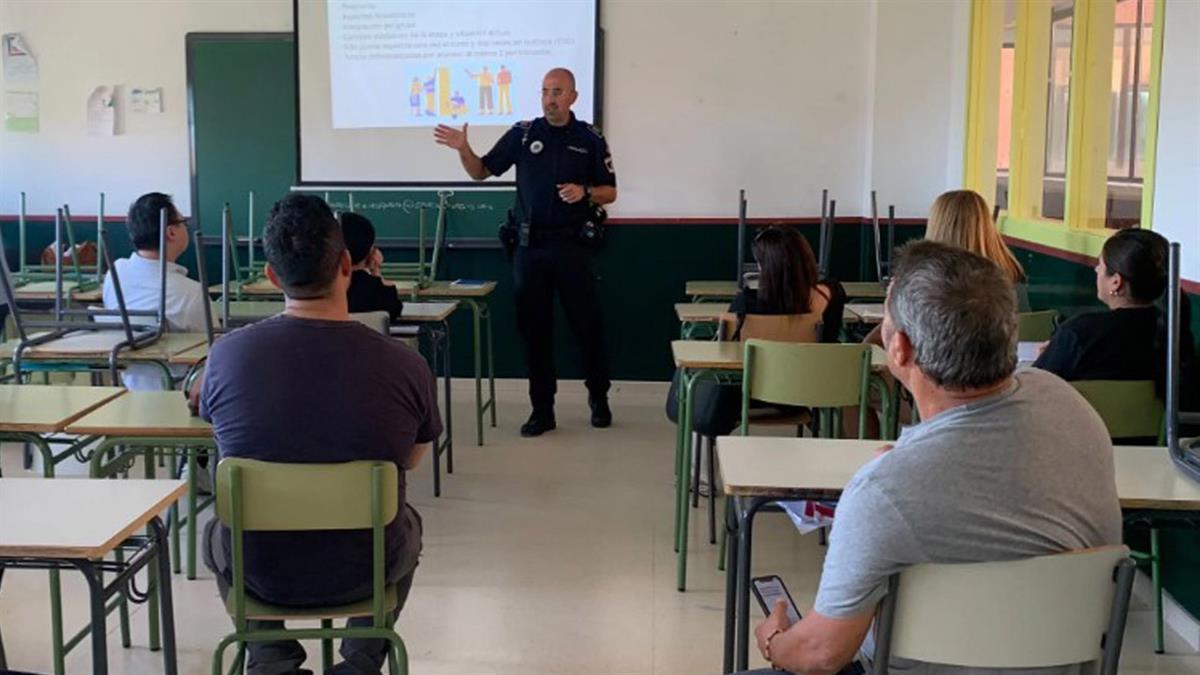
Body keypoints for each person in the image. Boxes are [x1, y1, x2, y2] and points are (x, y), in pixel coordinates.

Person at [741, 241, 1121, 675]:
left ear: (899, 348)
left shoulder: (882, 494)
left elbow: (819, 655)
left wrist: (774, 639)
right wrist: (904, 465)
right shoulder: (1069, 404)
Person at [201, 194, 441, 675]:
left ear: (271, 276)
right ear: (347, 264)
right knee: (406, 519)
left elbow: (223, 439)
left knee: (215, 531)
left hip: (261, 571)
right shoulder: (406, 364)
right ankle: (362, 660)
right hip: (367, 568)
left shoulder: (226, 356)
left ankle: (270, 658)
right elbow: (412, 458)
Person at [433, 67, 617, 437]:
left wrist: (585, 192)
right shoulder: (523, 134)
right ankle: (542, 410)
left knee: (587, 327)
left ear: (573, 97)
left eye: (558, 92)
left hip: (573, 248)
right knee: (535, 332)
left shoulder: (590, 138)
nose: (550, 99)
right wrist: (464, 149)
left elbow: (610, 191)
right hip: (530, 249)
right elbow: (481, 172)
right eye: (545, 91)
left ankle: (599, 397)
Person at [1034, 228, 1195, 397]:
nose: (1096, 270)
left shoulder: (1077, 334)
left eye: (1100, 265)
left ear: (1116, 282)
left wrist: (1053, 355)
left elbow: (1035, 392)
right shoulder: (1175, 335)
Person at [102, 192, 207, 391]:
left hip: (127, 390)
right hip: (178, 392)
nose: (187, 227)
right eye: (183, 222)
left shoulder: (115, 273)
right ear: (171, 232)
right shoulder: (191, 293)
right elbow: (212, 351)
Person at [341, 211, 404, 321]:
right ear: (371, 251)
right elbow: (393, 312)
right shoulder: (378, 291)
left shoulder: (329, 288)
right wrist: (376, 270)